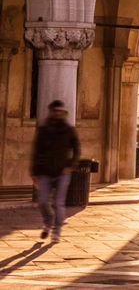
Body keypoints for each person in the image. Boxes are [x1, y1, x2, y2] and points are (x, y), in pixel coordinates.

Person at [31, 101, 80, 242]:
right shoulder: (44, 129)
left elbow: (77, 149)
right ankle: (48, 222)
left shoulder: (69, 130)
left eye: (60, 110)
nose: (58, 113)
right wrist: (34, 171)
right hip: (45, 172)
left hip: (63, 172)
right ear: (52, 111)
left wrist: (72, 165)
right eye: (56, 110)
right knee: (42, 202)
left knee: (58, 203)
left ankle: (56, 231)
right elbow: (36, 151)